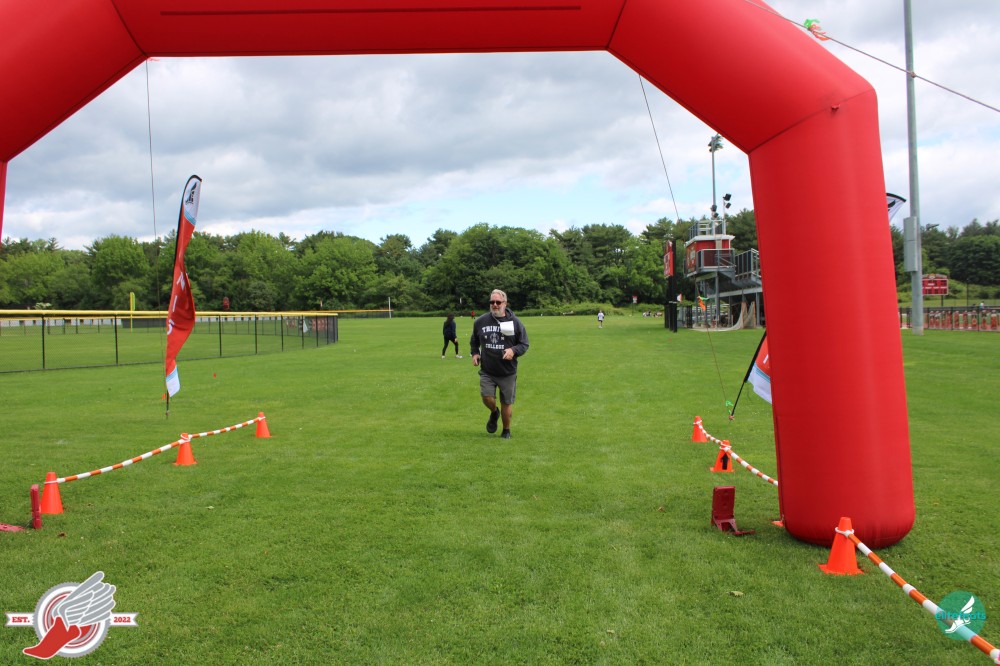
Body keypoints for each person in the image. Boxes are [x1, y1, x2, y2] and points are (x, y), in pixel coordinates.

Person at [469, 289, 529, 440]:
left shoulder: (515, 322)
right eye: (492, 302)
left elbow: (524, 344)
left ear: (505, 303)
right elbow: (474, 340)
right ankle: (494, 412)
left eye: (498, 302)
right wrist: (475, 353)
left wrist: (513, 350)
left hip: (507, 372)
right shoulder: (480, 321)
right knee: (486, 397)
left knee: (506, 402)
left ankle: (506, 430)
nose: (494, 305)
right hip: (488, 370)